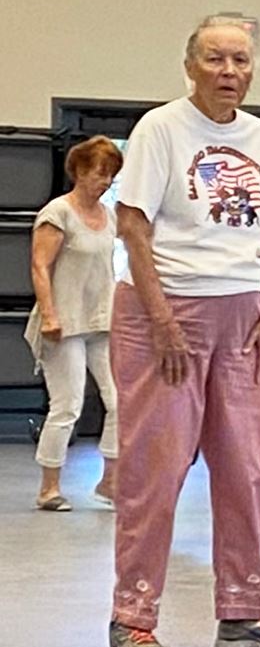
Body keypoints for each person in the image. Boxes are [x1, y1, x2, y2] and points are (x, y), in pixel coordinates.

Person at [108, 16, 260, 647]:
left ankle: (246, 613)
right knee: (155, 471)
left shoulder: (259, 137)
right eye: (217, 59)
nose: (230, 71)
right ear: (191, 66)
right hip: (165, 316)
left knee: (249, 470)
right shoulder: (161, 129)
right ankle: (131, 619)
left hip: (241, 321)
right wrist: (162, 318)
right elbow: (133, 225)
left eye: (241, 60)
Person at [28, 136, 122, 511]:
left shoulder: (110, 215)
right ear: (80, 171)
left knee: (120, 401)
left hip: (102, 319)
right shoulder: (57, 213)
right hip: (63, 322)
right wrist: (50, 314)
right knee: (67, 405)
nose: (105, 180)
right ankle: (49, 487)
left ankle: (110, 482)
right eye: (100, 172)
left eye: (111, 174)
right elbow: (39, 265)